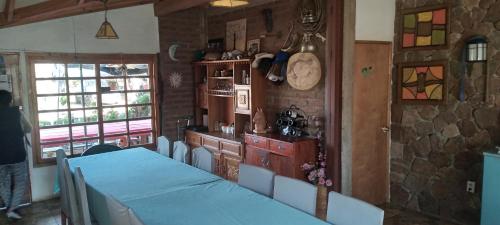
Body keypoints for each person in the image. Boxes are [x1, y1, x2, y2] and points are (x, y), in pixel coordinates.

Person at [0, 90, 31, 220]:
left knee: (2, 183)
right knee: (20, 182)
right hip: (17, 154)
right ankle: (12, 209)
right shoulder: (16, 112)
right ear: (10, 101)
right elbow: (29, 128)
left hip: (0, 157)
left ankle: (10, 207)